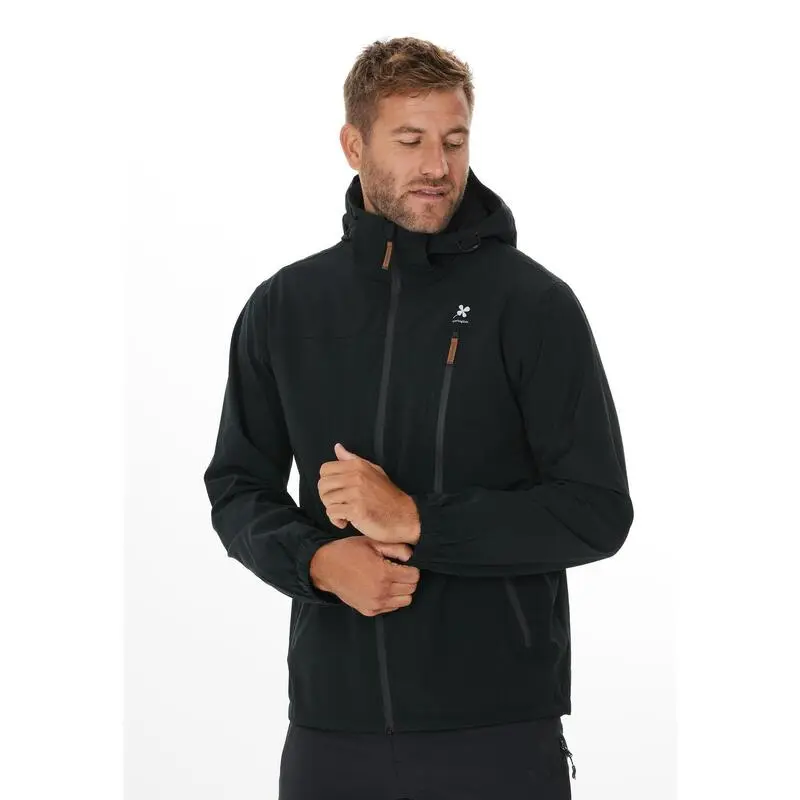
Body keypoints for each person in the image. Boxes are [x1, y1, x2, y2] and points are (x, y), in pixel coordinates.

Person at [203, 35, 633, 800]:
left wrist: (416, 520)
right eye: (410, 141)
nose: (438, 165)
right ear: (354, 145)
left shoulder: (533, 306)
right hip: (332, 733)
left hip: (497, 732)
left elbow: (596, 511)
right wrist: (318, 563)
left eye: (454, 140)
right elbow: (237, 489)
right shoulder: (284, 309)